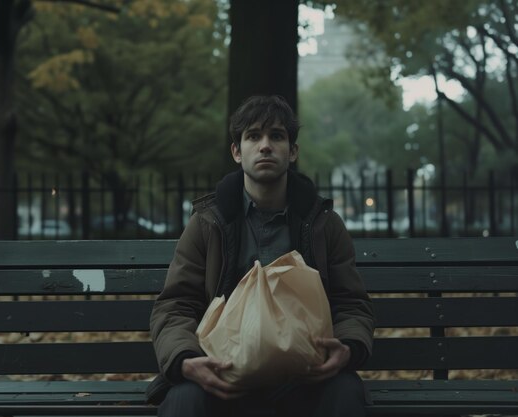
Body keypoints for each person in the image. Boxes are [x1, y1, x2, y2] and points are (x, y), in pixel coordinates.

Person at [146, 95, 375, 417]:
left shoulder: (322, 223)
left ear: (292, 151)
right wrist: (186, 361)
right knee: (184, 401)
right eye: (253, 136)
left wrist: (348, 349)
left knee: (346, 392)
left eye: (277, 136)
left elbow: (350, 302)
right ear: (237, 152)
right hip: (223, 374)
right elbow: (175, 303)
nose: (265, 146)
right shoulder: (207, 222)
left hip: (305, 377)